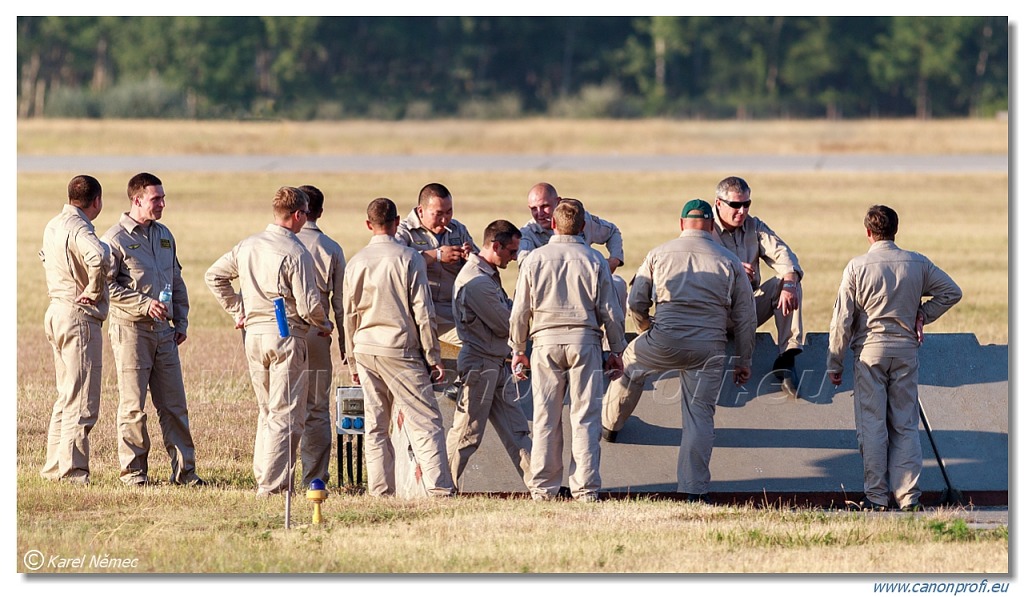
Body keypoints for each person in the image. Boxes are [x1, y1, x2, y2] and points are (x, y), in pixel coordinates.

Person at [601, 199, 756, 501]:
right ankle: (692, 490)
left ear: (681, 224)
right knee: (699, 417)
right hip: (709, 348)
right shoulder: (729, 261)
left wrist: (646, 327)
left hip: (665, 338)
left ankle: (610, 425)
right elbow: (746, 317)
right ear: (711, 226)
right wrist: (744, 360)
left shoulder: (658, 254)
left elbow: (636, 302)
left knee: (630, 361)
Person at [827, 205, 961, 511]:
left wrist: (834, 363)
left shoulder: (857, 267)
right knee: (905, 424)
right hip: (905, 351)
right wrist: (922, 315)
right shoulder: (918, 262)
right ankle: (909, 497)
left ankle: (875, 497)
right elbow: (952, 292)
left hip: (869, 352)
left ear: (868, 233)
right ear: (895, 231)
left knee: (873, 425)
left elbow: (842, 320)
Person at [205, 186, 333, 496]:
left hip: (254, 336)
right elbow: (307, 305)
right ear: (299, 214)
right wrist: (324, 323)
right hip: (286, 335)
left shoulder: (248, 244)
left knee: (267, 411)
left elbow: (214, 276)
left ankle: (264, 475)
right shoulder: (296, 251)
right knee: (287, 414)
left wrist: (239, 309)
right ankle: (273, 486)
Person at [509, 200, 626, 502]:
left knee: (546, 417)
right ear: (584, 227)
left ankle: (543, 488)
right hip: (585, 341)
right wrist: (616, 349)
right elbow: (610, 311)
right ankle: (585, 489)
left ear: (552, 225)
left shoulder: (534, 259)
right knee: (585, 416)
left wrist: (518, 348)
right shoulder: (595, 259)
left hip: (545, 342)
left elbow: (521, 310)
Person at [343, 197, 455, 498]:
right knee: (426, 421)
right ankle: (440, 490)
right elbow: (423, 311)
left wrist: (353, 362)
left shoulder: (356, 262)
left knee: (376, 426)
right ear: (396, 223)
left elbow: (348, 316)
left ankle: (380, 492)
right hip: (400, 350)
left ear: (369, 225)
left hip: (365, 348)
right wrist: (433, 357)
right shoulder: (409, 258)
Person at [103, 172, 203, 486]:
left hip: (165, 333)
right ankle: (133, 474)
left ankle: (185, 473)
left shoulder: (164, 235)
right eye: (155, 198)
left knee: (174, 406)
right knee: (134, 407)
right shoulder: (115, 239)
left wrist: (181, 320)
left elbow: (176, 278)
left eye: (163, 197)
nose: (162, 203)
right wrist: (143, 305)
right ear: (137, 200)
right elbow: (107, 289)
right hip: (131, 331)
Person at [446, 220, 532, 491]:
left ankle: (542, 488)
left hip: (495, 364)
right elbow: (507, 323)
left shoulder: (487, 274)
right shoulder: (477, 282)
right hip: (482, 364)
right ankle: (441, 489)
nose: (514, 257)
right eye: (511, 251)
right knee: (466, 433)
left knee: (517, 431)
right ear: (496, 246)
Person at [39, 175, 110, 485]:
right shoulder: (81, 228)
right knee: (82, 399)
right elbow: (100, 256)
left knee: (65, 396)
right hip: (78, 314)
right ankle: (73, 472)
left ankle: (53, 467)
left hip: (55, 309)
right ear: (96, 201)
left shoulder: (52, 224)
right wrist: (94, 289)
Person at [711, 176, 804, 390]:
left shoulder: (754, 226)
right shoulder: (704, 228)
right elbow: (692, 273)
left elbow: (785, 257)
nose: (742, 211)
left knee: (788, 281)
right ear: (718, 203)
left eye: (747, 204)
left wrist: (789, 284)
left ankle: (787, 357)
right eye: (735, 205)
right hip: (713, 314)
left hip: (747, 311)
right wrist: (731, 272)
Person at [518, 183, 628, 334]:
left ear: (558, 202)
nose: (539, 213)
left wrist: (614, 260)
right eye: (533, 209)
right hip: (551, 295)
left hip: (583, 286)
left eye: (544, 206)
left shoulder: (579, 220)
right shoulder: (527, 234)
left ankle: (613, 344)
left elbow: (612, 231)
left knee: (617, 283)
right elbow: (524, 266)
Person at [295, 184, 346, 487]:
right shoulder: (331, 248)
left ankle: (275, 478)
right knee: (316, 407)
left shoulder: (279, 242)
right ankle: (314, 476)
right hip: (317, 331)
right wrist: (344, 343)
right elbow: (341, 304)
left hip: (282, 329)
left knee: (281, 405)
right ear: (321, 212)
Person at [395, 182, 478, 347]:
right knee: (474, 340)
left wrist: (470, 257)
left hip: (456, 305)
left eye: (449, 212)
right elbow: (398, 265)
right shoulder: (403, 232)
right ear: (421, 211)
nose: (444, 219)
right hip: (424, 309)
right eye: (438, 214)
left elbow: (480, 265)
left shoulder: (458, 229)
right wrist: (437, 255)